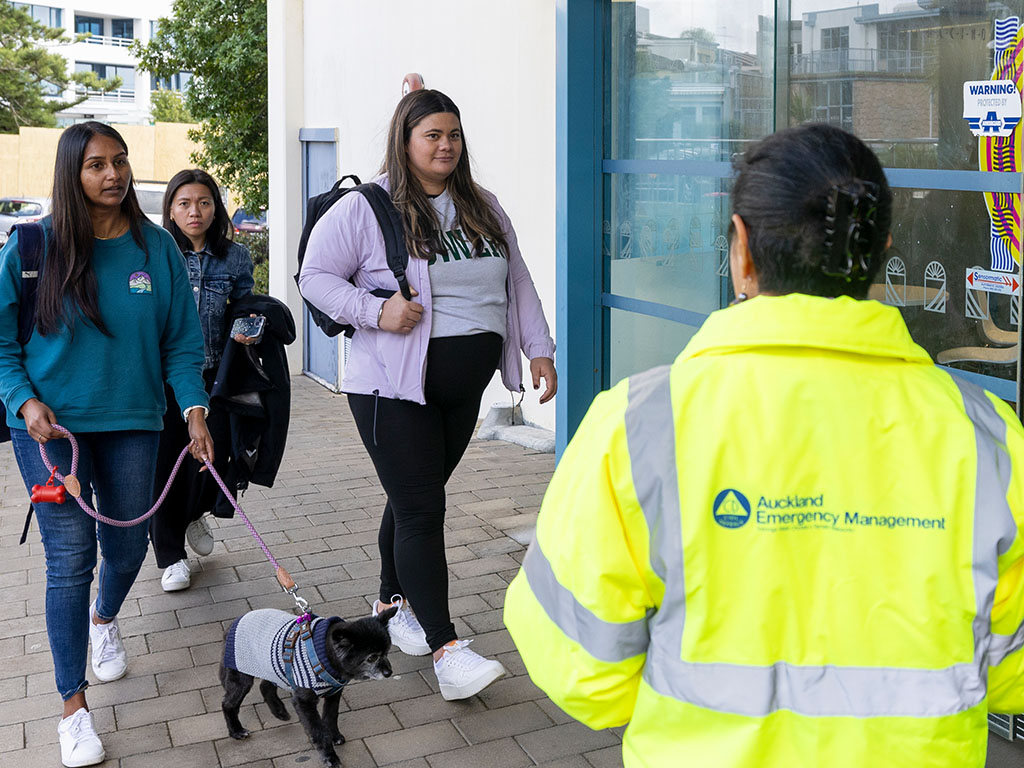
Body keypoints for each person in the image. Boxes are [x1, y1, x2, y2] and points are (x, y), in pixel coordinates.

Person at [503, 123, 1024, 767]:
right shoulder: (988, 436)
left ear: (742, 249)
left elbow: (582, 672)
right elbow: (1010, 673)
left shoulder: (637, 426)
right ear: (881, 249)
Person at [300, 89, 557, 701]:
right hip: (391, 391)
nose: (445, 146)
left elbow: (515, 276)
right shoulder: (369, 208)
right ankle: (447, 650)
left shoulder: (482, 205)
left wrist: (537, 345)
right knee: (421, 509)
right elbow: (313, 277)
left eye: (454, 135)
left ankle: (393, 606)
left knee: (414, 496)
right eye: (432, 135)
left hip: (458, 394)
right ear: (406, 140)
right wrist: (374, 311)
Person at [0, 122, 213, 767]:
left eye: (119, 162)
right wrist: (22, 400)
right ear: (72, 172)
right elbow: (4, 343)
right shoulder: (34, 245)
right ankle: (72, 707)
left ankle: (104, 621)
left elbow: (181, 342)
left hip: (134, 421)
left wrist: (195, 410)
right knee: (69, 559)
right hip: (48, 429)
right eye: (96, 165)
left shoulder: (157, 248)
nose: (113, 175)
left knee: (124, 547)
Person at [150, 169, 255, 593]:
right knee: (166, 467)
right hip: (166, 378)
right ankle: (170, 555)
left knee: (215, 458)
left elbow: (247, 306)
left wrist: (250, 326)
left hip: (217, 374)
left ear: (216, 207)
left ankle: (195, 513)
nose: (195, 212)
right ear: (171, 209)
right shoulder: (156, 253)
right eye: (184, 204)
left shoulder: (235, 257)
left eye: (204, 203)